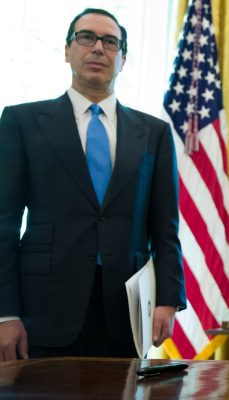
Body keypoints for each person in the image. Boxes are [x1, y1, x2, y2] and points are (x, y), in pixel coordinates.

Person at [0, 8, 186, 360]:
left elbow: (165, 228)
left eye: (110, 42)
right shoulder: (22, 122)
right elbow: (3, 224)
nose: (98, 48)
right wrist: (4, 313)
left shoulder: (154, 133)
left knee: (122, 399)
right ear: (67, 50)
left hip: (126, 313)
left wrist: (168, 299)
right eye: (86, 37)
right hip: (43, 310)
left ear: (123, 59)